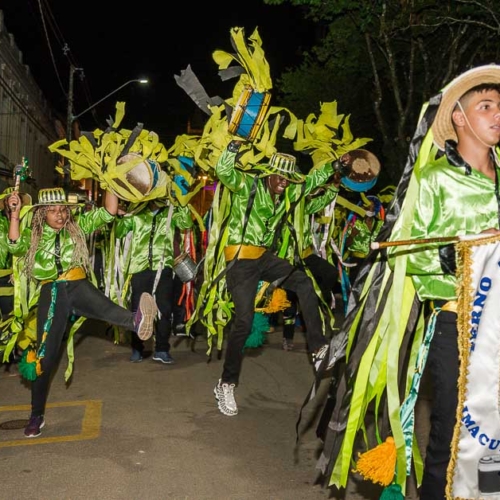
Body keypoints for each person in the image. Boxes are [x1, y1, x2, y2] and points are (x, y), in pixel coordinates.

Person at [315, 65, 500, 497]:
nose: (498, 115)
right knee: (456, 432)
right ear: (458, 117)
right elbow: (412, 257)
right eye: (486, 106)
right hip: (459, 325)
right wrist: (459, 262)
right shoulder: (435, 179)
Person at [7, 187, 158, 438]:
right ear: (41, 214)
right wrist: (14, 213)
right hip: (51, 293)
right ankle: (36, 415)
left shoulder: (77, 228)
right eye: (53, 211)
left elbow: (109, 212)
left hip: (77, 285)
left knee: (104, 306)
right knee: (45, 357)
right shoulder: (33, 235)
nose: (60, 215)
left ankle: (136, 321)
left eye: (63, 210)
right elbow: (13, 246)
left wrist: (112, 181)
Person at [212, 140, 337, 416]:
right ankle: (226, 383)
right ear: (269, 175)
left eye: (288, 179)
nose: (284, 183)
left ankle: (317, 348)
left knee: (304, 282)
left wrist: (337, 165)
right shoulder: (248, 185)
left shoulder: (289, 193)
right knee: (243, 322)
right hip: (240, 259)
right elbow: (223, 171)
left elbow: (312, 180)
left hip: (265, 259)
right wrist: (231, 147)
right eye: (280, 177)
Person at [114, 198, 193, 363]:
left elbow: (185, 223)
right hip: (139, 268)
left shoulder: (170, 212)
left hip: (162, 267)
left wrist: (182, 201)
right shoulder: (136, 212)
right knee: (138, 310)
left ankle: (162, 349)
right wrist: (122, 216)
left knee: (164, 310)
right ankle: (137, 348)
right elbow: (120, 232)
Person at [282, 180, 340, 351]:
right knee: (290, 300)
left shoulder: (305, 208)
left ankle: (317, 296)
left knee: (330, 272)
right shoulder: (281, 209)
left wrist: (334, 186)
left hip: (307, 256)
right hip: (288, 261)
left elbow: (321, 202)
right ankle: (287, 337)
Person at [0, 187, 31, 366]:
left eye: (15, 199)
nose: (11, 202)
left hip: (12, 277)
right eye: (9, 199)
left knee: (11, 315)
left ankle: (10, 352)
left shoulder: (23, 222)